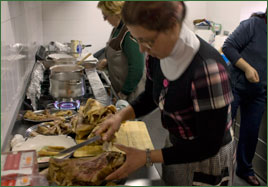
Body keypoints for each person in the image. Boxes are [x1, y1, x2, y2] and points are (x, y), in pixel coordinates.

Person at [96, 1, 235, 186]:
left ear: (172, 26)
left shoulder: (207, 69)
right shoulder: (156, 56)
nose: (141, 49)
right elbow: (150, 97)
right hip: (176, 146)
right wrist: (120, 116)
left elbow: (208, 145)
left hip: (207, 159)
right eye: (137, 39)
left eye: (147, 40)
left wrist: (147, 156)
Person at [222, 10, 267, 186]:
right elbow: (228, 46)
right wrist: (247, 68)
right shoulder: (253, 25)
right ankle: (219, 168)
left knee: (251, 132)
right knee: (225, 130)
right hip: (235, 86)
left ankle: (244, 169)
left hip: (259, 92)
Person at [97, 1, 145, 102]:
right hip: (120, 90)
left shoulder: (128, 32)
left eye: (106, 16)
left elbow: (137, 68)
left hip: (132, 93)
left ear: (115, 13)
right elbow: (120, 54)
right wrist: (107, 61)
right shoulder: (116, 29)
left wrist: (124, 93)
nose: (105, 20)